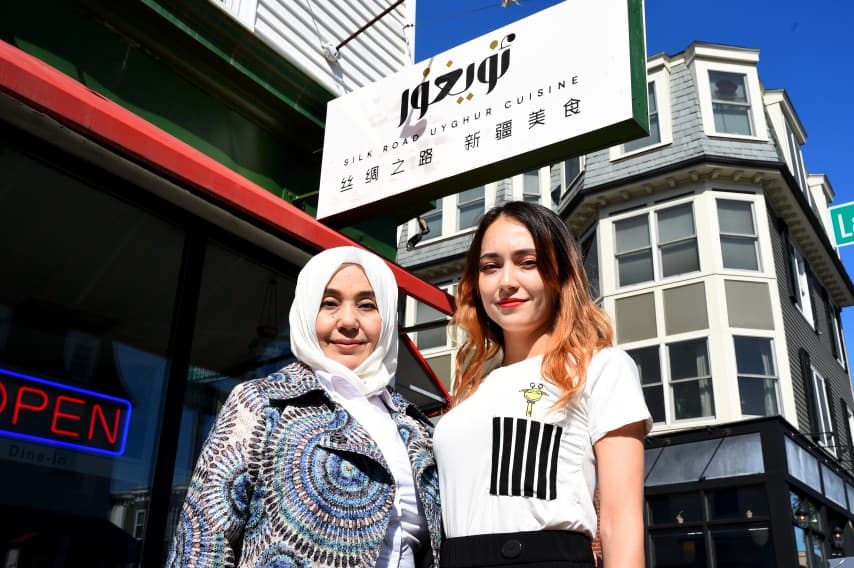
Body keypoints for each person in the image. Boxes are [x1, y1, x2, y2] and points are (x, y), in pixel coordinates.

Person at [167, 246, 442, 568]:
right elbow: (202, 541)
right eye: (330, 303)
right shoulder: (264, 402)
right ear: (307, 312)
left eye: (367, 305)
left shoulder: (415, 426)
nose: (348, 321)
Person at [433, 201, 651, 567]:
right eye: (490, 266)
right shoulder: (470, 391)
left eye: (528, 262)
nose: (506, 281)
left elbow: (620, 522)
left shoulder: (601, 367)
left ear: (559, 273)